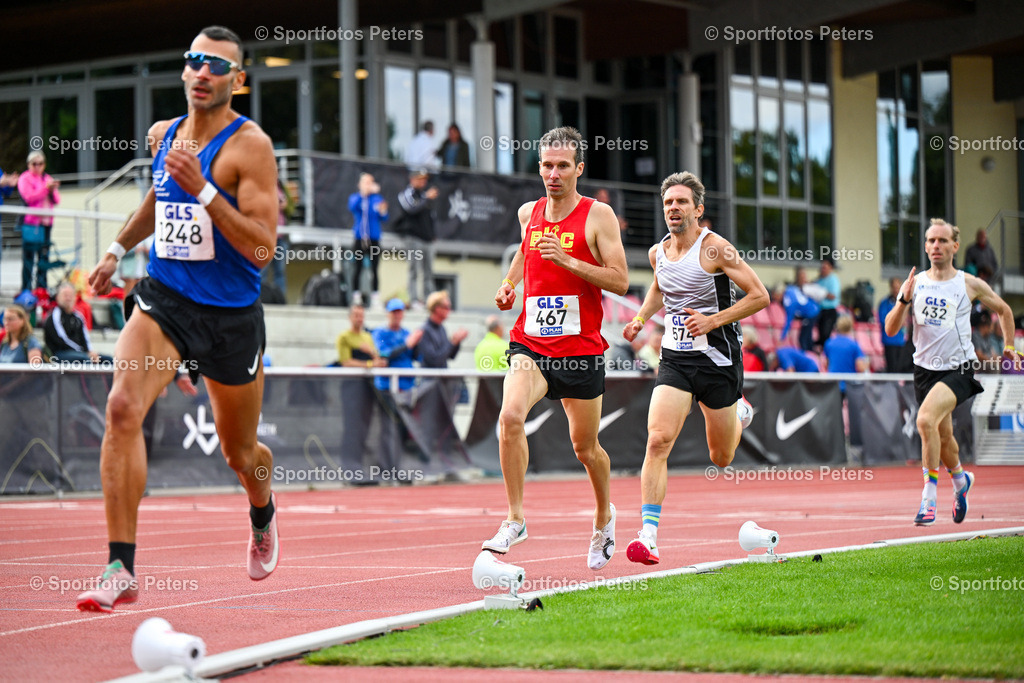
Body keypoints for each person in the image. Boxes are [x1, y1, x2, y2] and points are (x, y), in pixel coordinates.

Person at [77, 26, 281, 612]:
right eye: (194, 61)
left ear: (237, 82)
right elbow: (159, 199)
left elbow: (264, 249)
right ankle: (121, 566)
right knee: (121, 407)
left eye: (216, 66)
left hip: (231, 317)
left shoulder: (252, 148)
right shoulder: (166, 135)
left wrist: (208, 193)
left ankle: (262, 512)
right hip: (165, 299)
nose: (202, 73)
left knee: (240, 455)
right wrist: (116, 250)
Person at [486, 126, 628, 571]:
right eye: (547, 165)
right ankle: (515, 518)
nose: (553, 173)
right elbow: (525, 255)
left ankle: (604, 516)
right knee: (510, 416)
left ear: (579, 169)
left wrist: (567, 260)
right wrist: (510, 285)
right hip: (531, 343)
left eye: (562, 165)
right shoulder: (528, 213)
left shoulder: (597, 215)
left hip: (581, 349)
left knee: (585, 448)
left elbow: (621, 280)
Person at [621, 171, 768, 565]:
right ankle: (648, 536)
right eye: (668, 202)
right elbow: (659, 286)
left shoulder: (716, 248)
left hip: (719, 361)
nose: (673, 208)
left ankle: (739, 413)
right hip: (676, 358)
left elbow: (760, 296)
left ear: (698, 209)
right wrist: (639, 319)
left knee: (721, 457)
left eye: (681, 202)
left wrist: (713, 321)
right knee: (657, 440)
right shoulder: (657, 252)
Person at [884, 218, 1018, 526]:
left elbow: (1005, 310)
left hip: (959, 368)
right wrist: (904, 298)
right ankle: (960, 481)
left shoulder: (968, 283)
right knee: (942, 437)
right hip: (924, 371)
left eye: (942, 241)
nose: (935, 246)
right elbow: (891, 330)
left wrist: (1011, 347)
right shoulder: (914, 284)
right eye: (931, 241)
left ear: (955, 246)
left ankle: (929, 498)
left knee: (924, 420)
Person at [372, 298, 424, 473]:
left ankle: (401, 467)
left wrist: (417, 344)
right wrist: (408, 344)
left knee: (404, 428)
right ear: (388, 313)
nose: (397, 315)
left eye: (399, 311)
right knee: (388, 428)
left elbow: (415, 357)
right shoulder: (380, 333)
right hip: (387, 388)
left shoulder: (406, 333)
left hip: (406, 387)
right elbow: (383, 355)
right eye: (394, 312)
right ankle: (385, 467)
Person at [337, 303, 386, 478]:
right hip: (351, 387)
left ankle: (360, 465)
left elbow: (377, 359)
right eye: (356, 315)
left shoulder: (368, 336)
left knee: (365, 427)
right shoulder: (344, 337)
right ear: (350, 317)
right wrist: (369, 363)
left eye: (361, 315)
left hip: (368, 387)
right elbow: (345, 362)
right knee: (352, 427)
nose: (359, 318)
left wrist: (371, 352)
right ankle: (349, 466)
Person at [17, 151, 60, 293]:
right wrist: (45, 189)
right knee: (29, 259)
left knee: (44, 259)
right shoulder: (25, 178)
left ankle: (42, 290)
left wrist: (52, 190)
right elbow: (29, 197)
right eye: (34, 164)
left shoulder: (47, 178)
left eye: (40, 163)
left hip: (46, 224)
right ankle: (26, 290)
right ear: (29, 164)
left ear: (44, 165)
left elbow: (57, 200)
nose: (37, 166)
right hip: (31, 225)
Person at [394, 169, 438, 306]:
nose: (423, 182)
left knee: (428, 272)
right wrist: (426, 198)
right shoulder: (407, 194)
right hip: (413, 238)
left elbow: (430, 218)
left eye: (424, 179)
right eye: (420, 179)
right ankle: (413, 300)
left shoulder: (425, 196)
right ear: (412, 179)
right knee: (414, 270)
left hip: (427, 239)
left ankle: (429, 301)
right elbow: (411, 209)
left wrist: (432, 235)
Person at [43, 283, 113, 364]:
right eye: (65, 295)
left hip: (80, 353)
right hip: (59, 353)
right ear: (57, 297)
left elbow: (85, 338)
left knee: (108, 360)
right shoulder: (53, 317)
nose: (68, 298)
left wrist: (90, 351)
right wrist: (83, 352)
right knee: (86, 359)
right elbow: (62, 340)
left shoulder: (78, 317)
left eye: (71, 295)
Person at [347, 173, 388, 307]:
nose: (368, 185)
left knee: (374, 268)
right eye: (365, 182)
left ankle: (375, 295)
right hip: (360, 237)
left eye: (370, 182)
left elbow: (384, 217)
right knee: (357, 267)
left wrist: (383, 209)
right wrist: (362, 194)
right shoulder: (356, 197)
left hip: (374, 238)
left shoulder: (377, 199)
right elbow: (352, 207)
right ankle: (356, 295)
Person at [418, 290, 468, 369]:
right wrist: (452, 342)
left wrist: (456, 342)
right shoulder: (425, 331)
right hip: (429, 379)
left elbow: (450, 356)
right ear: (437, 308)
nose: (449, 310)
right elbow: (433, 361)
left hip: (441, 378)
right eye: (447, 307)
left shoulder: (441, 328)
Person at [822, 315, 869, 393]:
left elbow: (826, 364)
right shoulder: (854, 345)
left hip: (833, 383)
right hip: (849, 384)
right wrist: (867, 363)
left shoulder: (829, 343)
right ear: (850, 327)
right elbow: (860, 367)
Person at [779, 268, 819, 352]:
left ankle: (808, 355)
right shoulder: (791, 290)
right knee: (807, 335)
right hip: (812, 310)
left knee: (803, 338)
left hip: (812, 313)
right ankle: (810, 353)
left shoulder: (789, 301)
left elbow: (789, 320)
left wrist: (782, 337)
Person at [878, 277, 911, 373]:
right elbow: (883, 320)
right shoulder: (885, 303)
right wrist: (897, 322)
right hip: (889, 340)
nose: (896, 290)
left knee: (900, 368)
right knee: (891, 368)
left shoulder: (904, 302)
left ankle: (898, 387)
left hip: (901, 341)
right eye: (894, 287)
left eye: (898, 287)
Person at [815, 256, 841, 348]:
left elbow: (833, 296)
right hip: (820, 310)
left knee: (826, 335)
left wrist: (822, 293)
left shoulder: (833, 280)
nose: (823, 269)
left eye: (825, 267)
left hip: (829, 311)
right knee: (820, 335)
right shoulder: (819, 280)